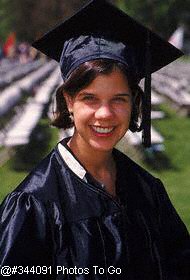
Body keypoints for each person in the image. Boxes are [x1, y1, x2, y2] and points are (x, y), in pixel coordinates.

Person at [0, 0, 189, 279]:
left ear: (135, 102)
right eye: (90, 98)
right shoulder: (33, 205)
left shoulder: (148, 191)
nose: (105, 114)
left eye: (118, 99)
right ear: (69, 101)